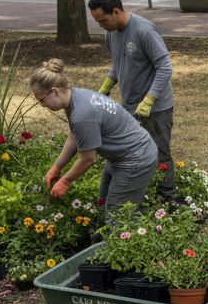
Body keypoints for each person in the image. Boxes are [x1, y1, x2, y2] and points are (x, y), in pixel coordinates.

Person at [31, 58, 158, 210]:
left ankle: (130, 232)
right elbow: (75, 135)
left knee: (119, 214)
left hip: (136, 158)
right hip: (125, 155)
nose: (43, 105)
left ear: (54, 92)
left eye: (42, 100)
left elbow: (87, 159)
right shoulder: (77, 96)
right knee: (104, 203)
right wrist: (57, 167)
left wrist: (65, 181)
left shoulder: (81, 114)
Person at [88, 0, 175, 202]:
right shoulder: (111, 34)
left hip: (156, 108)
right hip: (129, 106)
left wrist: (150, 99)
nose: (101, 25)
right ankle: (143, 194)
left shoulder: (144, 31)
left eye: (103, 20)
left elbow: (165, 67)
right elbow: (119, 64)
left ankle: (167, 198)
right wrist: (105, 88)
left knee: (160, 153)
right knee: (133, 152)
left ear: (116, 11)